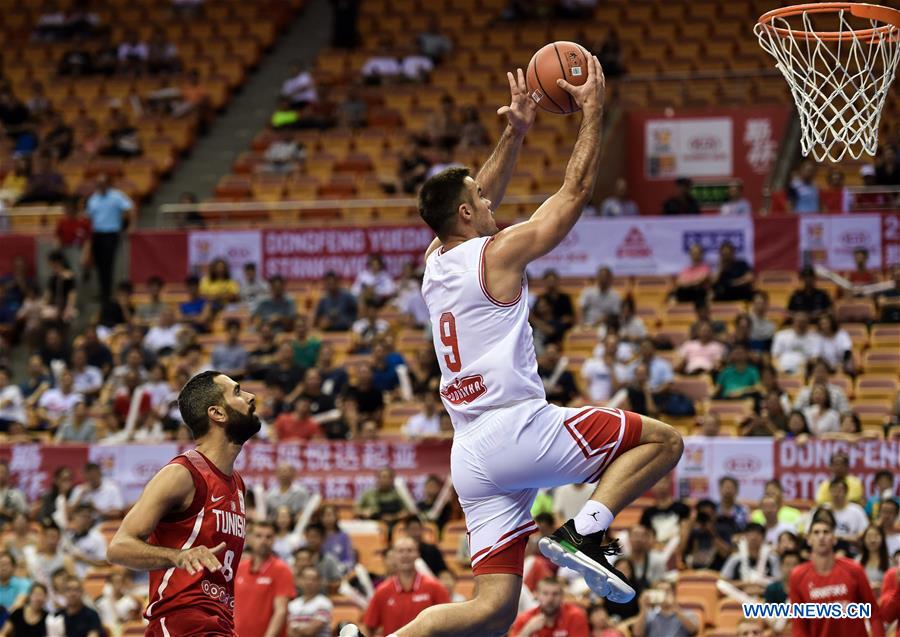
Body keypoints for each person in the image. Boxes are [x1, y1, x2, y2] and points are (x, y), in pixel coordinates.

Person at [343, 57, 682, 637]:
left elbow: (473, 198)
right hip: (514, 429)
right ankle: (587, 531)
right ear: (468, 214)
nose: (490, 197)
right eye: (480, 195)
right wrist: (593, 111)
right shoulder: (494, 254)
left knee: (494, 611)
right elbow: (573, 192)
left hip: (471, 454)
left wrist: (516, 131)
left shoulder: (434, 264)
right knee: (663, 441)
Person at [107, 371, 261, 636]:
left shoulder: (237, 483)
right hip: (180, 622)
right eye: (237, 392)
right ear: (217, 413)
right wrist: (177, 556)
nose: (251, 397)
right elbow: (118, 547)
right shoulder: (182, 474)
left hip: (221, 624)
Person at [789, 512, 883, 636]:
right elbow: (799, 625)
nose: (821, 536)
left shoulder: (854, 569)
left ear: (834, 539)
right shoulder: (797, 575)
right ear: (809, 540)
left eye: (826, 532)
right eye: (816, 533)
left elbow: (874, 613)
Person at [363, 537, 450, 636]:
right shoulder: (382, 591)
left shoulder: (435, 587)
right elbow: (368, 627)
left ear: (418, 554)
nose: (405, 555)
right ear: (394, 556)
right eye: (400, 551)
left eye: (410, 550)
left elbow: (449, 622)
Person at [234, 520, 295, 637]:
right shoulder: (240, 568)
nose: (264, 540)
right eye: (259, 536)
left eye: (269, 537)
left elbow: (281, 611)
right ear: (249, 539)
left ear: (274, 540)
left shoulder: (282, 569)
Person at [85, 173, 135, 304]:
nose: (99, 186)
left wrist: (131, 225)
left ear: (108, 184)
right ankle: (102, 291)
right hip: (97, 234)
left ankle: (109, 292)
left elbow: (130, 208)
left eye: (102, 184)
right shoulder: (93, 198)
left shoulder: (116, 196)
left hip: (111, 233)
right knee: (99, 265)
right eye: (98, 184)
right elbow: (88, 216)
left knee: (109, 264)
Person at [508, 577, 589, 637]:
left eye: (555, 594)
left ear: (562, 596)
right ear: (536, 595)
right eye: (545, 593)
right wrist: (527, 630)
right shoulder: (525, 619)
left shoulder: (575, 616)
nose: (550, 599)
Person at [632, 580, 699, 637]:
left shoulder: (687, 613)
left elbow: (693, 630)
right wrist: (643, 609)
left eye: (667, 591)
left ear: (674, 593)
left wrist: (675, 608)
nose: (664, 594)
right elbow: (637, 634)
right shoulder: (650, 614)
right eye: (660, 591)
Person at [287, 566, 332, 637]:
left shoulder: (324, 603)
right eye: (306, 579)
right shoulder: (292, 604)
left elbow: (310, 631)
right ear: (298, 581)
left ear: (320, 582)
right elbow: (287, 631)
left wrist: (295, 627)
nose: (309, 582)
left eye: (313, 579)